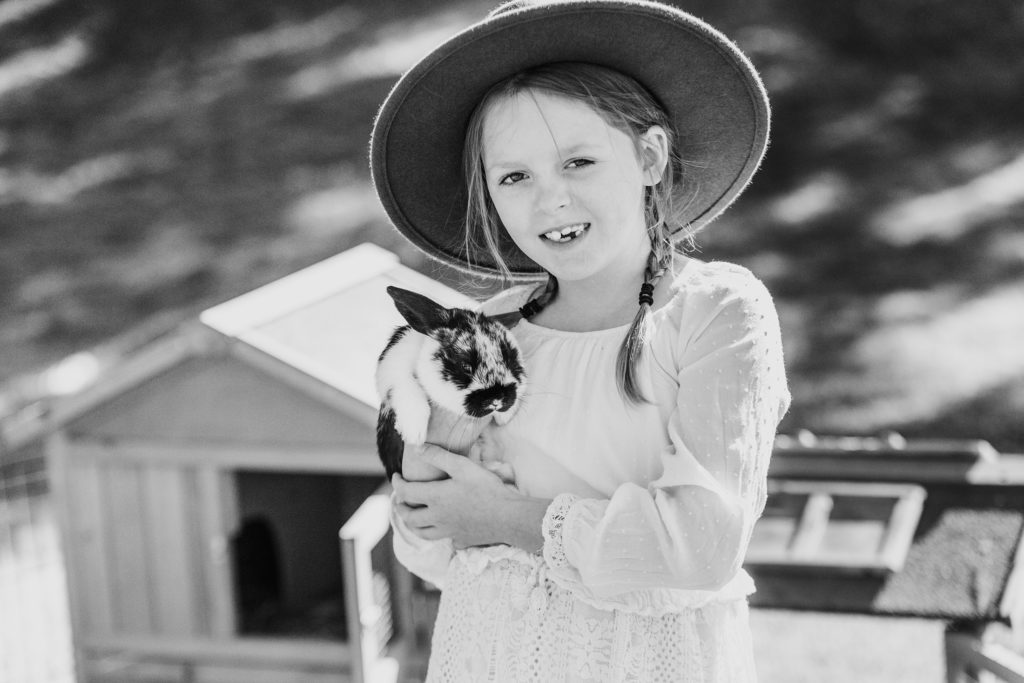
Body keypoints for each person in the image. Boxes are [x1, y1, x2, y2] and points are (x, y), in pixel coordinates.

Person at [370, 1, 791, 680]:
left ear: (649, 155)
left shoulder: (716, 312)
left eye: (579, 162)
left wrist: (502, 515)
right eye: (515, 176)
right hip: (490, 655)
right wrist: (423, 452)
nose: (550, 200)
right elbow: (425, 532)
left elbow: (700, 545)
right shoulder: (488, 334)